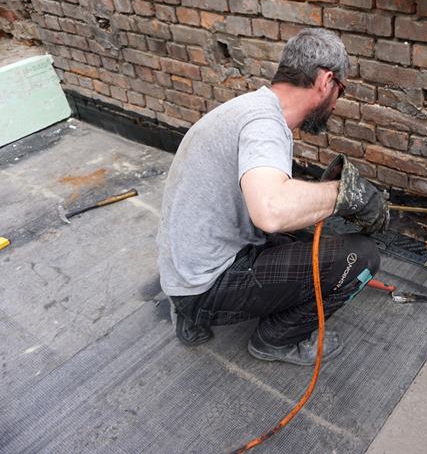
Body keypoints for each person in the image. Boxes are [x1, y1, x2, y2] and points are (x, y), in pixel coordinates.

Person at [157, 28, 389, 365]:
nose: (336, 103)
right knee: (360, 256)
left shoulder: (249, 108)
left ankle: (191, 317)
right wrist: (347, 194)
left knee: (310, 241)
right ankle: (276, 339)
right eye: (340, 91)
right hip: (204, 287)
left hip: (182, 274)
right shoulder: (264, 125)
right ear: (326, 81)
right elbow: (270, 211)